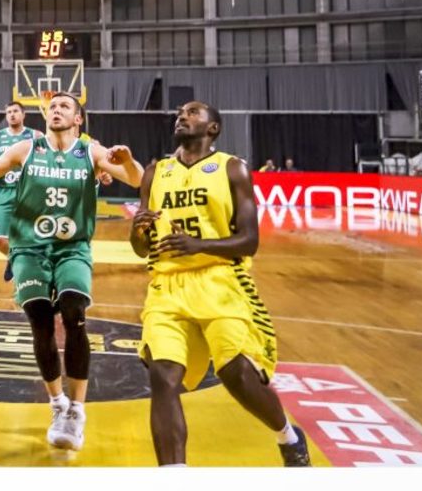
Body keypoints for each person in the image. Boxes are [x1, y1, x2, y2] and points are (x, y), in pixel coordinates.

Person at [128, 101, 310, 467]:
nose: (183, 116)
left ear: (213, 129)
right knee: (163, 376)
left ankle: (288, 437)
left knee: (236, 374)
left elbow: (249, 240)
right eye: (180, 112)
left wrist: (199, 245)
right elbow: (141, 247)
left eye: (194, 113)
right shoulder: (155, 172)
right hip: (167, 285)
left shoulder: (232, 168)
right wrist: (137, 232)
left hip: (221, 280)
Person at [0, 92, 143, 451]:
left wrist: (127, 162)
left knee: (74, 312)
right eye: (52, 107)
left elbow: (137, 179)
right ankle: (56, 402)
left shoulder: (90, 151)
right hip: (29, 246)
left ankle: (77, 408)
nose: (57, 110)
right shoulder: (27, 148)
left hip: (72, 248)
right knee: (40, 320)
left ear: (78, 119)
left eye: (65, 107)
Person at [0, 101, 43, 281]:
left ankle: (32, 272)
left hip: (28, 193)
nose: (11, 114)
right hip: (3, 191)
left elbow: (46, 159)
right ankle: (13, 258)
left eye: (15, 111)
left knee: (32, 239)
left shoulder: (35, 135)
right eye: (8, 112)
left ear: (23, 114)